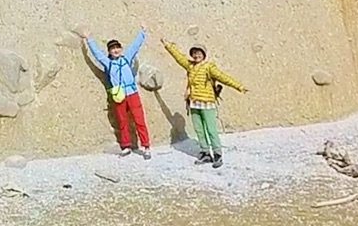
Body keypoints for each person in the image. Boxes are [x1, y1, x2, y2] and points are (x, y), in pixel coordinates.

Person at [163, 38, 246, 166]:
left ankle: (217, 154)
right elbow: (178, 57)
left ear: (204, 54)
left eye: (199, 53)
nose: (196, 55)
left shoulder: (209, 67)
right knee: (199, 129)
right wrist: (168, 45)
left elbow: (222, 77)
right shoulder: (190, 66)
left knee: (211, 129)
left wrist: (239, 86)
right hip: (194, 102)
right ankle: (205, 152)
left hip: (207, 103)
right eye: (194, 53)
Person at [81, 27, 151, 157]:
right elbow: (97, 54)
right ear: (109, 51)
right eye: (112, 48)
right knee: (122, 121)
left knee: (139, 120)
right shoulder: (108, 63)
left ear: (121, 49)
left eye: (117, 47)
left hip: (132, 93)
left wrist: (142, 33)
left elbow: (135, 46)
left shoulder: (126, 58)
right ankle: (126, 146)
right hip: (118, 95)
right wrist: (89, 40)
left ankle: (146, 146)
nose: (115, 50)